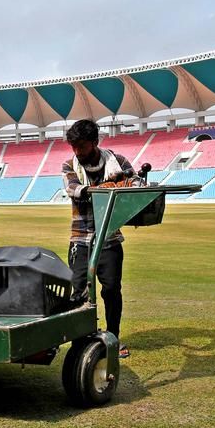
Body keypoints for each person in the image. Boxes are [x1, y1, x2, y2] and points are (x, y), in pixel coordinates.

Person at [62, 119, 134, 358]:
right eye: (73, 146)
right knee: (77, 292)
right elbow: (74, 189)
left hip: (110, 239)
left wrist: (121, 183)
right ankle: (81, 340)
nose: (77, 152)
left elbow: (133, 185)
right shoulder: (69, 164)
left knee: (112, 290)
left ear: (94, 142)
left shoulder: (119, 161)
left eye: (81, 146)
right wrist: (110, 185)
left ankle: (113, 337)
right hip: (80, 240)